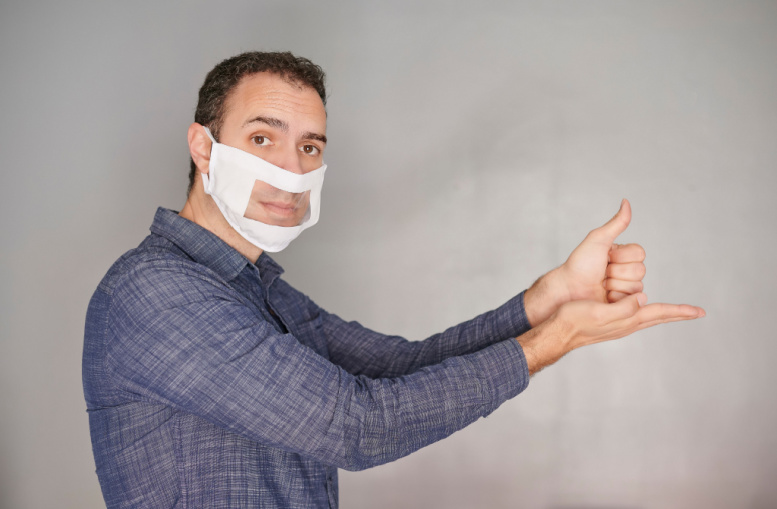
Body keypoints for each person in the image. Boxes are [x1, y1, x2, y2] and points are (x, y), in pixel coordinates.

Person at [82, 51, 704, 509]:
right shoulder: (155, 292)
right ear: (203, 146)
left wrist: (545, 303)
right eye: (263, 137)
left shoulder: (254, 286)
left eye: (310, 147)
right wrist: (554, 341)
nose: (290, 170)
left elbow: (398, 368)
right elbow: (355, 426)